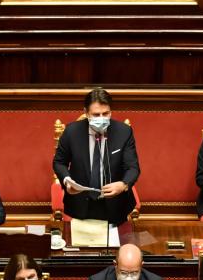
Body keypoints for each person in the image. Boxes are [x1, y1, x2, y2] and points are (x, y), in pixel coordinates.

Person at [52, 87, 140, 225]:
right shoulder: (71, 132)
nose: (102, 119)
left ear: (111, 112)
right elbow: (59, 162)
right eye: (96, 114)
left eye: (106, 114)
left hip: (115, 205)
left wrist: (123, 185)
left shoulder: (124, 132)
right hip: (80, 203)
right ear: (86, 113)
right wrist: (67, 180)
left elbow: (133, 167)